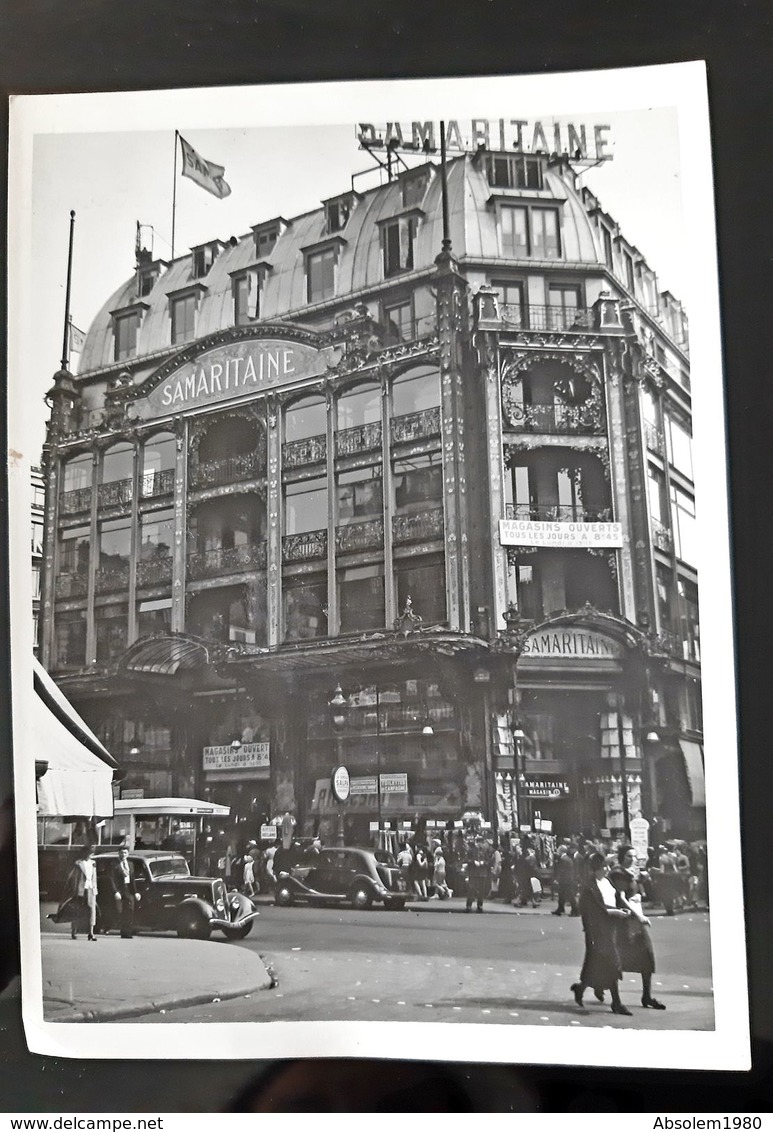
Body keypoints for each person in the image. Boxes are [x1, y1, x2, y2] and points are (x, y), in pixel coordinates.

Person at [570, 850, 632, 1016]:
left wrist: (622, 909)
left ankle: (580, 989)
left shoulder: (607, 881)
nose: (606, 869)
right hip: (598, 931)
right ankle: (616, 1003)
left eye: (606, 866)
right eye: (602, 867)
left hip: (611, 927)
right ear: (594, 869)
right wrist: (614, 913)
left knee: (596, 965)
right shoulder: (588, 888)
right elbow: (593, 912)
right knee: (611, 962)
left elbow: (615, 898)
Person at [609, 844, 666, 1010]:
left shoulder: (628, 873)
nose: (632, 859)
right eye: (628, 856)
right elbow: (621, 897)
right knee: (617, 959)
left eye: (634, 856)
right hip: (624, 922)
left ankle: (646, 996)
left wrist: (643, 878)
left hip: (634, 921)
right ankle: (615, 1000)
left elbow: (632, 889)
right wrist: (639, 915)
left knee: (646, 955)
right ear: (621, 857)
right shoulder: (618, 873)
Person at [59, 845, 99, 940]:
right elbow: (73, 878)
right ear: (84, 853)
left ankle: (91, 933)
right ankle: (74, 931)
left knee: (92, 910)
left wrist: (95, 888)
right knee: (77, 910)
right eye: (88, 853)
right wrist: (74, 890)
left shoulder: (93, 863)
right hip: (80, 890)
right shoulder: (78, 863)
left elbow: (95, 877)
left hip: (91, 889)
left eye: (91, 853)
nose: (90, 855)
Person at [111, 846, 141, 939]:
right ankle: (123, 931)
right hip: (120, 889)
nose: (123, 855)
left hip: (128, 889)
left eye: (125, 853)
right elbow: (112, 879)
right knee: (121, 910)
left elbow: (132, 879)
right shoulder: (114, 864)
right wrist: (115, 891)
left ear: (127, 854)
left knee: (129, 910)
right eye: (121, 853)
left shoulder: (130, 864)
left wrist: (135, 892)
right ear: (118, 854)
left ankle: (127, 932)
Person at [465, 835, 492, 913]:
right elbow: (467, 859)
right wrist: (473, 862)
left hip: (482, 873)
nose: (479, 844)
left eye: (480, 842)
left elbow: (489, 861)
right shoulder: (471, 850)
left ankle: (480, 905)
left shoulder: (484, 851)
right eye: (478, 842)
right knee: (471, 889)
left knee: (481, 890)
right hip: (473, 873)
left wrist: (483, 862)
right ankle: (469, 905)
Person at [552, 842, 578, 916]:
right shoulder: (567, 858)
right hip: (568, 880)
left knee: (570, 896)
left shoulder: (563, 859)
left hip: (566, 880)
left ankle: (575, 910)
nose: (557, 851)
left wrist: (557, 879)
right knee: (562, 895)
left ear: (561, 851)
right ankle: (560, 908)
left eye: (558, 850)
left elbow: (562, 871)